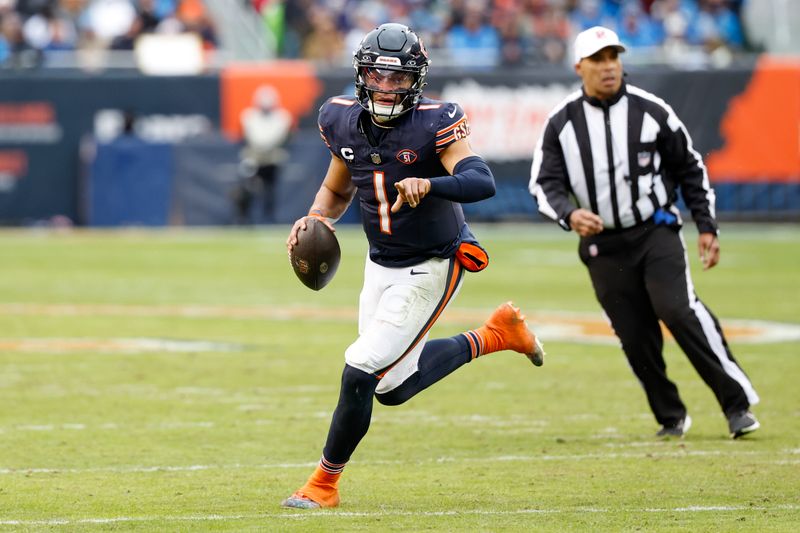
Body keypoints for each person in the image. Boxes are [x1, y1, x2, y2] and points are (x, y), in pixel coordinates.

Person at [283, 23, 545, 509]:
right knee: (391, 389)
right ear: (360, 75)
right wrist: (317, 217)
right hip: (380, 262)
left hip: (433, 263)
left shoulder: (434, 123)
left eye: (398, 79)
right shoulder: (339, 120)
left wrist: (432, 183)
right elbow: (338, 187)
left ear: (416, 81)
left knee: (360, 369)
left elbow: (480, 179)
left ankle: (323, 484)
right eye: (376, 76)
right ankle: (496, 335)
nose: (385, 87)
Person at [529, 26, 759, 439]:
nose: (609, 67)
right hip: (602, 244)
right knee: (634, 335)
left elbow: (690, 168)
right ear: (579, 66)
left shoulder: (652, 111)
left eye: (614, 57)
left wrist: (706, 225)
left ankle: (736, 403)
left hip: (655, 232)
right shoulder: (561, 123)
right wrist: (569, 214)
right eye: (598, 60)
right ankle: (671, 415)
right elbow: (542, 185)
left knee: (677, 310)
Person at [234, 85, 292, 224]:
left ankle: (269, 217)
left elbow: (276, 139)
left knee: (270, 190)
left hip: (272, 159)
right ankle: (244, 217)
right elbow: (253, 139)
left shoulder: (282, 117)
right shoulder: (249, 116)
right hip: (253, 158)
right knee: (246, 187)